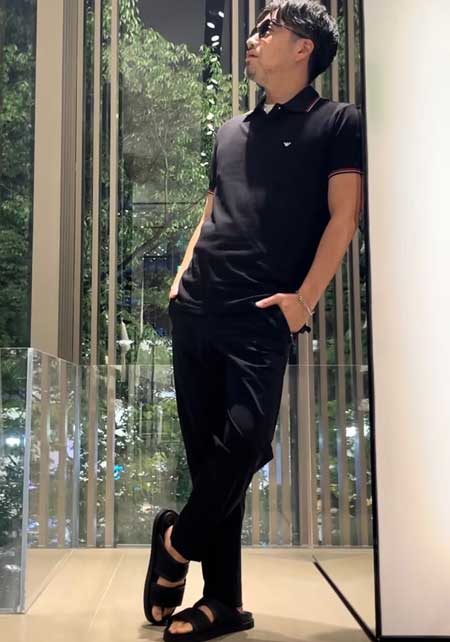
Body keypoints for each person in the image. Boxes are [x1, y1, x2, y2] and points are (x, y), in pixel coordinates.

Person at [143, 1, 363, 640]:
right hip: (197, 308)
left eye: (270, 28)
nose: (255, 36)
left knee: (243, 444)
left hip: (263, 314)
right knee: (210, 460)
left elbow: (344, 216)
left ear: (304, 48)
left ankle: (175, 544)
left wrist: (305, 301)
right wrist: (182, 276)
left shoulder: (337, 122)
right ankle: (224, 603)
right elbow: (212, 208)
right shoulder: (230, 131)